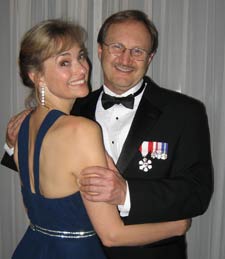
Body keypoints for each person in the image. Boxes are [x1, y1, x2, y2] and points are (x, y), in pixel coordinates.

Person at [3, 19, 190, 259]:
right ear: (36, 75)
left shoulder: (21, 126)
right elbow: (112, 235)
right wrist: (178, 226)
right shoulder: (82, 130)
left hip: (34, 248)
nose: (81, 69)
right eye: (64, 62)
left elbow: (33, 207)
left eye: (81, 56)